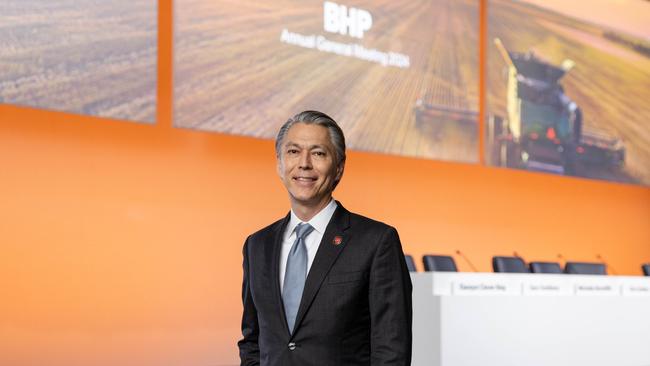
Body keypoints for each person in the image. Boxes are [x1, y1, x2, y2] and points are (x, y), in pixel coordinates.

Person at [238, 110, 412, 365]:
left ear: (339, 167)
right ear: (279, 164)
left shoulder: (376, 242)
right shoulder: (257, 245)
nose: (304, 163)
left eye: (318, 153)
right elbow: (252, 340)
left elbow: (391, 349)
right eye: (293, 151)